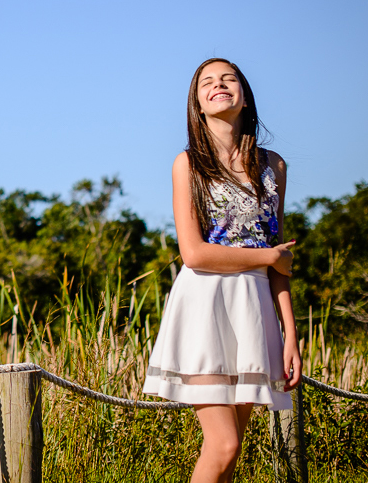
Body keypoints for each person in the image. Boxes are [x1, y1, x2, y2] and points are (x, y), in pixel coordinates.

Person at [142, 58, 302, 483]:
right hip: (205, 302)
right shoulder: (188, 163)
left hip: (255, 309)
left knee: (232, 456)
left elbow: (279, 254)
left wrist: (290, 335)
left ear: (244, 94)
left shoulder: (274, 165)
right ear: (197, 103)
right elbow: (194, 254)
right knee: (223, 443)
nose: (218, 85)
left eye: (228, 79)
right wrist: (267, 258)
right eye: (207, 82)